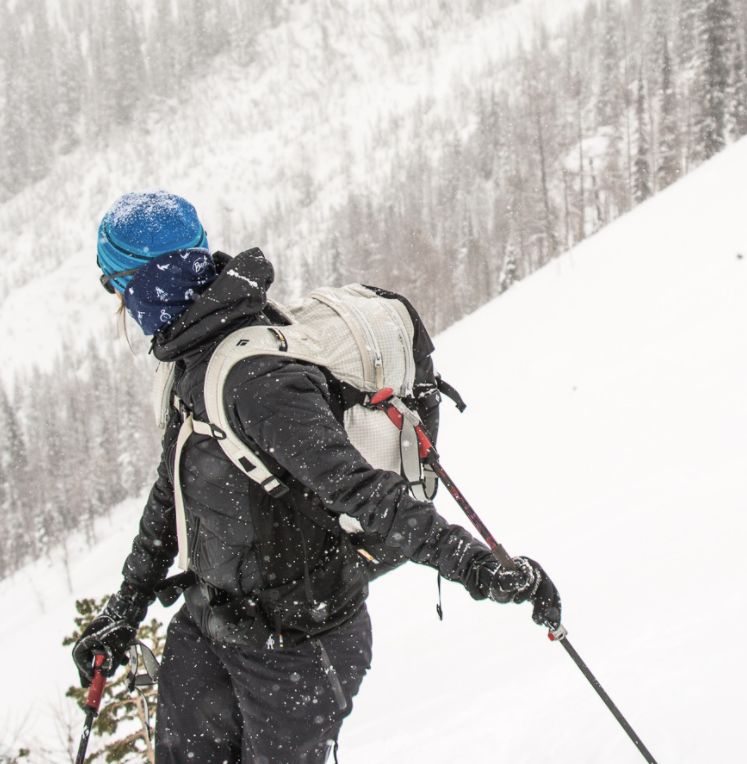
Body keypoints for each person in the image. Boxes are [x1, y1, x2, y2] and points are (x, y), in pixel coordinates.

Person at [71, 190, 559, 764]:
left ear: (148, 284)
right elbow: (169, 496)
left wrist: (481, 566)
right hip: (210, 625)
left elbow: (365, 496)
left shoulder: (256, 380)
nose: (120, 307)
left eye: (117, 287)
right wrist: (124, 612)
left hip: (297, 650)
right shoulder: (191, 358)